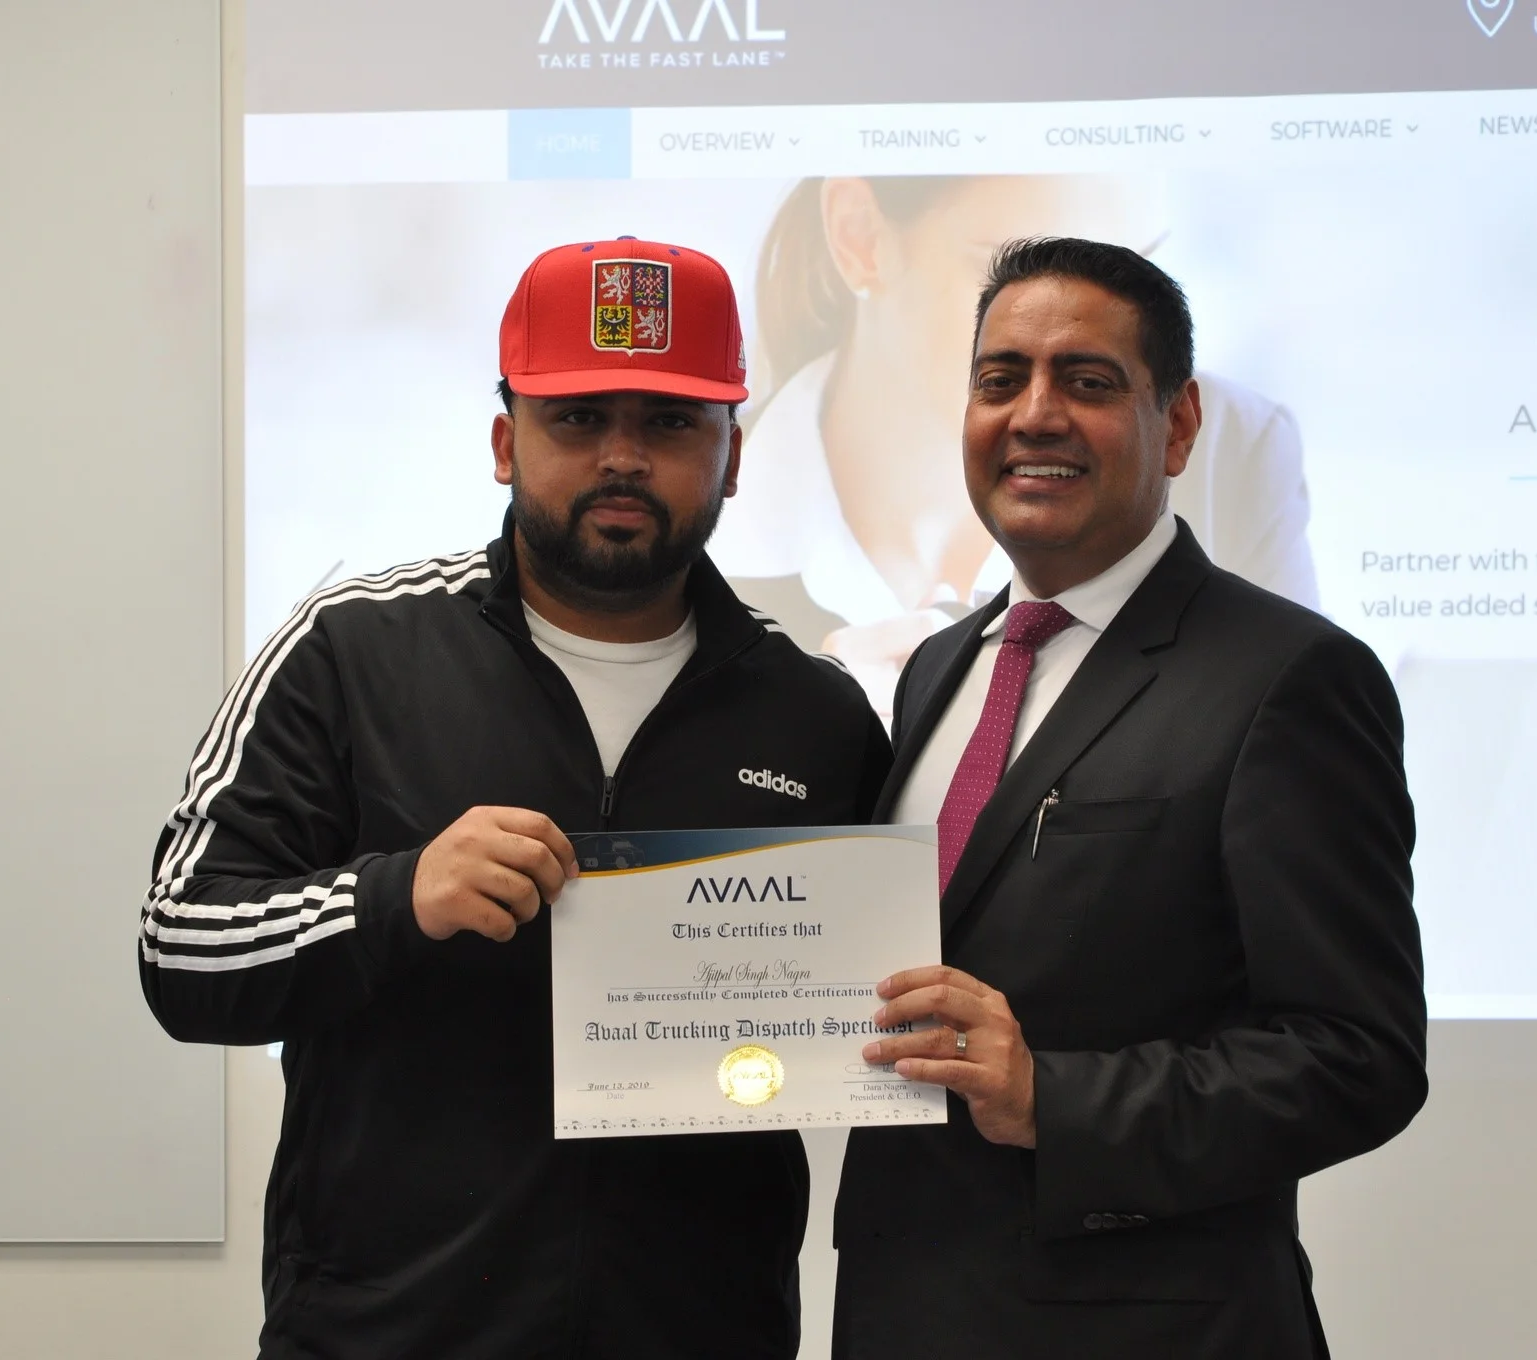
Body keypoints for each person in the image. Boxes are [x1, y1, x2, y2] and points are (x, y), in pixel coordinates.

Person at [138, 237, 891, 1359]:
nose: (622, 457)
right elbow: (178, 947)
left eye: (670, 422)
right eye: (578, 418)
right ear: (505, 444)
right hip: (387, 1335)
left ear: (733, 456)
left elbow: (879, 998)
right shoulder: (353, 653)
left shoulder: (817, 714)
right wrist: (394, 898)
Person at [831, 238, 1427, 1358]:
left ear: (1179, 423)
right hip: (901, 1309)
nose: (1034, 415)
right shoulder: (936, 669)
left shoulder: (1288, 678)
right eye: (999, 379)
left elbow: (1358, 1056)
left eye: (1088, 381)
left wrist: (1050, 1100)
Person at [711, 175, 1319, 715]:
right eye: (1016, 272)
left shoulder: (1237, 450)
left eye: (1138, 272)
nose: (1037, 417)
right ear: (859, 235)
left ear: (1180, 425)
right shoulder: (699, 509)